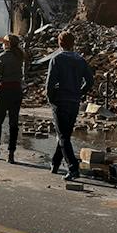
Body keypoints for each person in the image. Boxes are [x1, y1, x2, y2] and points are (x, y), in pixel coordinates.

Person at [45, 29, 93, 180]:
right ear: (73, 44)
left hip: (60, 101)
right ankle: (55, 163)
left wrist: (51, 99)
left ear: (60, 43)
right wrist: (80, 92)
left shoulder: (57, 59)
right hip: (74, 102)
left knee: (63, 136)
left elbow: (50, 84)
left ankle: (73, 167)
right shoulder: (80, 60)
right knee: (65, 134)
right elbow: (90, 81)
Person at [0, 33, 26, 163]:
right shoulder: (20, 56)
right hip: (16, 91)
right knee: (13, 124)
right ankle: (11, 154)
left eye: (4, 42)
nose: (2, 44)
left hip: (4, 91)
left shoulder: (3, 57)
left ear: (7, 44)